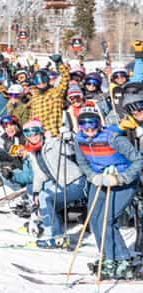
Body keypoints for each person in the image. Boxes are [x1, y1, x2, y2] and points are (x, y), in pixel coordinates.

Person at [74, 106, 143, 279]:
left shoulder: (113, 139)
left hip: (123, 182)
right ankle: (108, 256)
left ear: (99, 123)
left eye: (93, 123)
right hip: (100, 180)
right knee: (95, 218)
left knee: (107, 219)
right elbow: (82, 162)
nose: (89, 128)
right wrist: (93, 177)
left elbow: (138, 159)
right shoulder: (79, 140)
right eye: (84, 123)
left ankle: (122, 258)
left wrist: (122, 177)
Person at [21, 119, 86, 248]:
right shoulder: (33, 152)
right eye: (28, 133)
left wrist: (68, 139)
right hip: (61, 183)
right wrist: (35, 192)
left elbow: (70, 151)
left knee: (45, 197)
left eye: (35, 132)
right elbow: (39, 175)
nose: (32, 136)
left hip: (76, 182)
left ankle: (56, 237)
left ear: (41, 132)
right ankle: (43, 224)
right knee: (38, 195)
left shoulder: (53, 143)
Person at [28, 54, 70, 137]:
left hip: (54, 133)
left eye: (43, 80)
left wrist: (59, 63)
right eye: (38, 82)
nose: (41, 84)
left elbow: (65, 78)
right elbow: (32, 117)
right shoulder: (35, 97)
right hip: (39, 136)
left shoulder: (56, 92)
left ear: (47, 80)